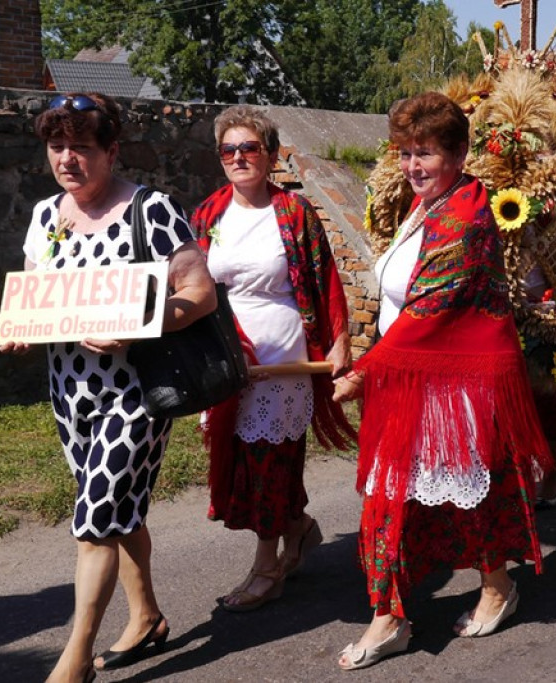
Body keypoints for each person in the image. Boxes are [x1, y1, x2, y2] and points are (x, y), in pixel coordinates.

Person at [0, 92, 217, 683]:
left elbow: (200, 295)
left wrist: (139, 324)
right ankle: (145, 617)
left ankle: (74, 660)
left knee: (95, 519)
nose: (68, 159)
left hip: (138, 390)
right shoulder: (46, 217)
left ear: (112, 152)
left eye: (83, 147)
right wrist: (15, 326)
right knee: (119, 511)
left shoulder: (152, 209)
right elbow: (39, 293)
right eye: (57, 146)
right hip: (69, 391)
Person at [332, 92, 550, 669]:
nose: (411, 166)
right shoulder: (426, 204)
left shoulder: (467, 215)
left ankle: (497, 588)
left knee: (470, 495)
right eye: (405, 153)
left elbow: (430, 307)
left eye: (424, 152)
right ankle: (390, 617)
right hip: (411, 375)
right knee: (390, 498)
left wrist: (364, 371)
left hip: (454, 383)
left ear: (458, 153)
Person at [191, 105, 355, 612]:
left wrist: (341, 344)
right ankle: (300, 529)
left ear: (271, 154)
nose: (239, 157)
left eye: (250, 148)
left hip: (280, 356)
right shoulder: (207, 214)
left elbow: (326, 278)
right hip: (226, 355)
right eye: (229, 150)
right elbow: (193, 284)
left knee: (267, 460)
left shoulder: (294, 212)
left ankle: (267, 570)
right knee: (246, 460)